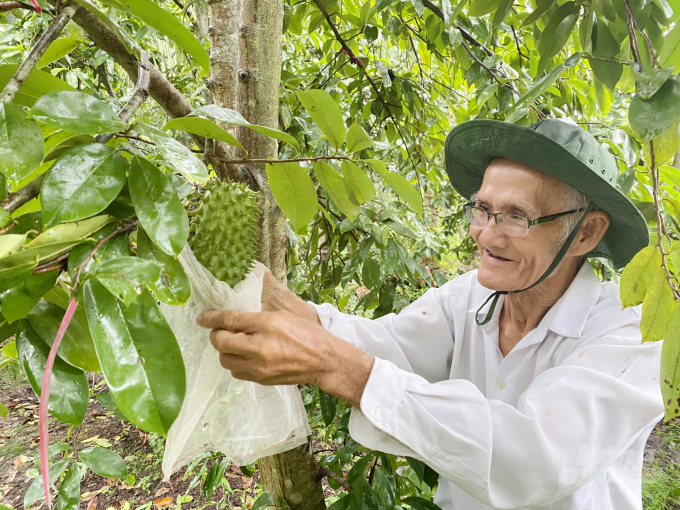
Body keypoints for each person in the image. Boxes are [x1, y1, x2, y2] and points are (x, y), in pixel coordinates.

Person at [196, 119, 664, 509]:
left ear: (585, 233)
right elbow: (389, 345)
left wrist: (336, 366)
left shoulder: (630, 332)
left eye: (516, 216)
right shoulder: (469, 297)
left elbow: (538, 458)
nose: (486, 236)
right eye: (482, 209)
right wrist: (296, 312)